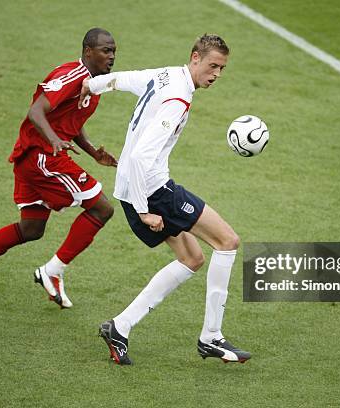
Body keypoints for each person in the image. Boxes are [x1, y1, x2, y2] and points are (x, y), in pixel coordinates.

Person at [80, 34, 251, 364]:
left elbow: (128, 79)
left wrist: (94, 85)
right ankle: (211, 337)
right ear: (195, 58)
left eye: (222, 69)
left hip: (131, 188)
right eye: (213, 66)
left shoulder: (167, 74)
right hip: (153, 191)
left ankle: (120, 326)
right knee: (227, 241)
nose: (216, 74)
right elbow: (143, 156)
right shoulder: (178, 99)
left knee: (192, 259)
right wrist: (145, 210)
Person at [0, 28, 118, 309]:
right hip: (43, 157)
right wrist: (54, 139)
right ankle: (52, 271)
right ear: (87, 52)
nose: (112, 56)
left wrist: (93, 152)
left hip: (35, 157)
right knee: (102, 208)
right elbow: (36, 111)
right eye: (106, 50)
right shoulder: (71, 76)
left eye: (114, 51)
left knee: (32, 228)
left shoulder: (94, 83)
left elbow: (71, 118)